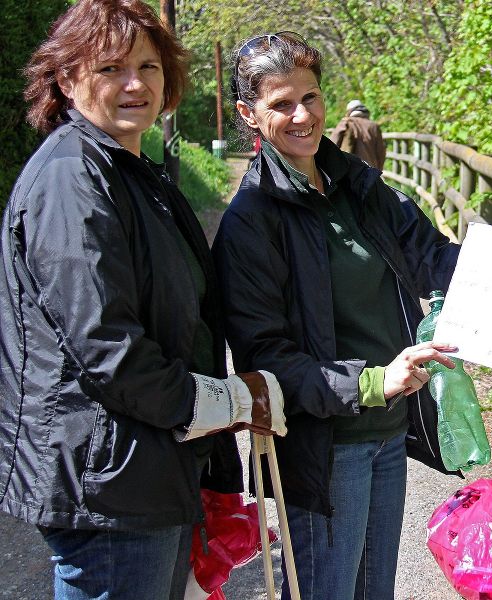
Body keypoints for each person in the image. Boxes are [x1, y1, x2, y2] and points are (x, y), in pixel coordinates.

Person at [215, 32, 492, 600]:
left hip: (387, 433)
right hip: (326, 448)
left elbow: (434, 260)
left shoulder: (360, 186)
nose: (303, 115)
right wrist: (372, 382)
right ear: (249, 113)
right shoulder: (250, 222)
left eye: (312, 97)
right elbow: (264, 359)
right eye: (281, 104)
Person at [0, 2, 286, 599]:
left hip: (143, 467)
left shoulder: (131, 170)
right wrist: (214, 400)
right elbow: (107, 346)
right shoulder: (71, 178)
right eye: (110, 68)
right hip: (108, 480)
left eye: (149, 66)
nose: (136, 84)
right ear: (65, 76)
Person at [330, 99, 387, 169]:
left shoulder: (345, 123)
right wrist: (378, 170)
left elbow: (331, 145)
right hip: (370, 172)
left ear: (349, 112)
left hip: (349, 172)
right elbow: (381, 152)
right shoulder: (374, 126)